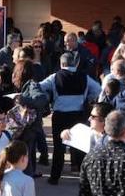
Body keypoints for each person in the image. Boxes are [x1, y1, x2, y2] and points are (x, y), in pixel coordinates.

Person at [41, 51, 102, 185]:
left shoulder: (55, 76)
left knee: (59, 146)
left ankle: (55, 177)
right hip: (78, 114)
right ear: (75, 63)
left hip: (60, 114)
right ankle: (84, 177)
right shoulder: (84, 77)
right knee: (80, 146)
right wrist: (88, 98)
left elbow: (41, 86)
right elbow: (98, 89)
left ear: (62, 63)